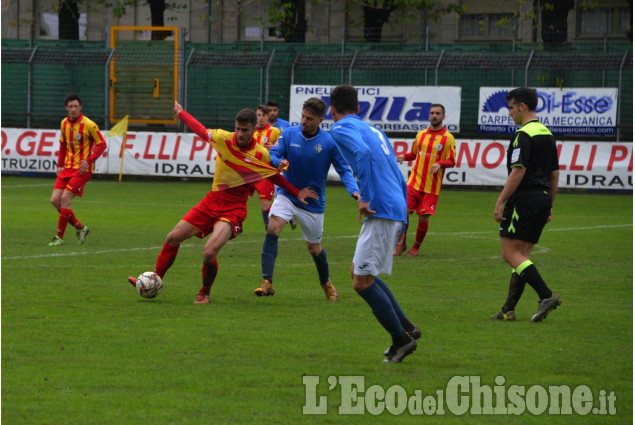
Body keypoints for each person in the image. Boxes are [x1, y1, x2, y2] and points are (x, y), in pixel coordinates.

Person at [128, 102, 317, 304]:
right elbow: (200, 130)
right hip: (211, 201)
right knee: (173, 237)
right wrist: (182, 113)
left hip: (234, 210)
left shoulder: (261, 154)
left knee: (209, 253)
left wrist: (297, 192)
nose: (240, 133)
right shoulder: (223, 139)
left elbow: (274, 177)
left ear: (254, 129)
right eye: (237, 129)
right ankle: (154, 279)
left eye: (244, 130)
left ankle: (204, 292)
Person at [329, 85, 420, 363]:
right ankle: (406, 327)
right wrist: (404, 215)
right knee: (360, 272)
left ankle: (400, 340)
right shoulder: (375, 130)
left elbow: (363, 156)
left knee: (361, 282)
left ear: (333, 110)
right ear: (358, 109)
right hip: (393, 206)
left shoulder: (340, 129)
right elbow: (396, 171)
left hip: (380, 208)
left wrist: (365, 198)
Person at [255, 97, 360, 301]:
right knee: (272, 227)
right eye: (303, 116)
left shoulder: (329, 142)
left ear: (320, 120)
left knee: (314, 248)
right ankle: (267, 282)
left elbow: (344, 170)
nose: (303, 121)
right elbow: (274, 153)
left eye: (309, 118)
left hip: (313, 203)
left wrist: (354, 190)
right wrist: (279, 161)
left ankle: (326, 283)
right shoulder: (289, 133)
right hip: (288, 194)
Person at [491, 87, 562, 322]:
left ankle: (546, 295)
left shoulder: (523, 135)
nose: (509, 113)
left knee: (509, 253)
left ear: (522, 106)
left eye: (511, 107)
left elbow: (518, 172)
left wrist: (501, 200)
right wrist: (549, 203)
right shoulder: (547, 134)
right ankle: (508, 309)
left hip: (524, 198)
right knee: (522, 255)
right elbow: (554, 174)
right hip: (541, 198)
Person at [393, 104, 456, 257]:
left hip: (431, 187)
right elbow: (414, 154)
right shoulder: (421, 134)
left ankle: (416, 247)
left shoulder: (448, 138)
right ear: (429, 115)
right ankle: (401, 244)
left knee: (423, 217)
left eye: (438, 113)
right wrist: (403, 156)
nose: (434, 116)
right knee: (403, 212)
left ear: (443, 116)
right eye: (432, 113)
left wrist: (439, 163)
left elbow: (452, 161)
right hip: (414, 182)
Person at [48, 93, 107, 246]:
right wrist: (59, 165)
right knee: (55, 200)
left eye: (76, 106)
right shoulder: (64, 123)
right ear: (66, 108)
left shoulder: (89, 125)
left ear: (80, 107)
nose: (73, 109)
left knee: (65, 199)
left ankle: (59, 237)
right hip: (67, 167)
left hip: (82, 169)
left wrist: (89, 161)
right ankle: (81, 228)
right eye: (70, 106)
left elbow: (102, 144)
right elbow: (62, 145)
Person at [252, 105, 281, 229]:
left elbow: (281, 150)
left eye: (263, 115)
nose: (260, 118)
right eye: (258, 115)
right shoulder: (251, 131)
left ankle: (274, 223)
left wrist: (273, 148)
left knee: (265, 205)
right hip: (250, 171)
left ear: (268, 117)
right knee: (236, 196)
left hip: (266, 172)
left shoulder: (275, 132)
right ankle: (237, 225)